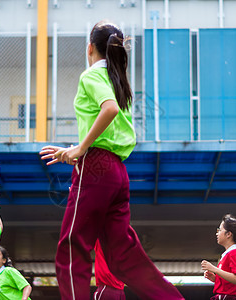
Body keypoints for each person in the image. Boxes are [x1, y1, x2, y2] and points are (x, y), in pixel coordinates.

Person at [40, 21, 184, 300]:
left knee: (72, 246)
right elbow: (111, 125)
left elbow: (109, 110)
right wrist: (75, 149)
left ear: (90, 48)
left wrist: (81, 149)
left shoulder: (92, 75)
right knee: (123, 256)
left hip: (95, 169)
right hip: (117, 172)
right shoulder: (119, 79)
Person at [201, 214, 236, 300]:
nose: (216, 233)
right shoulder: (228, 253)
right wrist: (215, 278)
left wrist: (215, 269)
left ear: (228, 234)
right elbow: (230, 282)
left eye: (219, 230)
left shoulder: (234, 252)